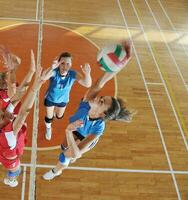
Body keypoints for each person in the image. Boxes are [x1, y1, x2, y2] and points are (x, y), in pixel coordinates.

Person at [42, 41, 133, 180]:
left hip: (85, 136)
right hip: (76, 129)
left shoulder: (98, 128)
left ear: (102, 114)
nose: (97, 98)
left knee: (68, 155)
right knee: (64, 149)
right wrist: (122, 63)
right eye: (101, 97)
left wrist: (68, 131)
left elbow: (78, 153)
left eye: (101, 102)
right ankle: (63, 163)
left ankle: (56, 171)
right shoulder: (87, 104)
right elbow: (101, 82)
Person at [0, 51, 49, 187]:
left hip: (10, 147)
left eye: (2, 111)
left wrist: (31, 71)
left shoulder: (6, 117)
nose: (6, 112)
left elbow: (19, 94)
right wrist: (38, 83)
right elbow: (23, 113)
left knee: (19, 165)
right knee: (17, 170)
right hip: (8, 157)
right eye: (2, 114)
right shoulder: (9, 134)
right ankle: (10, 179)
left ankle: (12, 176)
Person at [43, 52, 92, 140]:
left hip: (63, 100)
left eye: (67, 63)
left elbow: (87, 84)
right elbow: (44, 77)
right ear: (58, 64)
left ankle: (55, 113)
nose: (65, 66)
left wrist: (87, 74)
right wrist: (52, 67)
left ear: (71, 65)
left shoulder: (73, 74)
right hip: (50, 99)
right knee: (49, 117)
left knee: (59, 116)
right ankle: (48, 128)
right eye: (62, 63)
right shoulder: (54, 72)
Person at [0, 46, 35, 116]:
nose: (6, 80)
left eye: (5, 78)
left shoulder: (6, 82)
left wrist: (10, 57)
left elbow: (18, 61)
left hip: (17, 111)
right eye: (4, 81)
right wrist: (10, 69)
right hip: (12, 117)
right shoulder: (2, 94)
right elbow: (13, 90)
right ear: (0, 84)